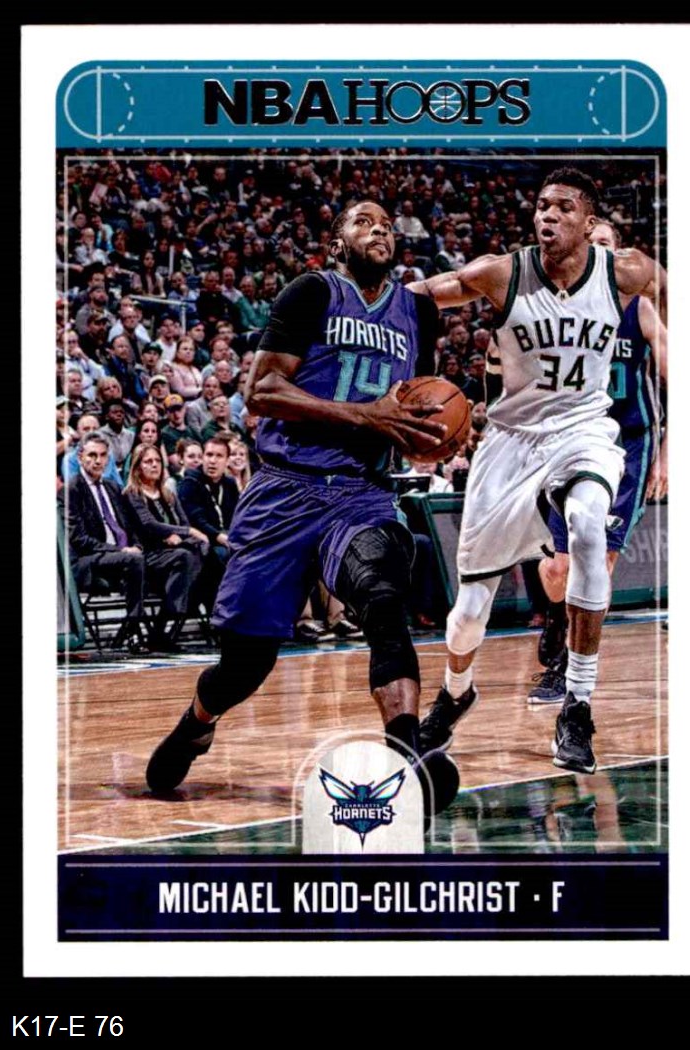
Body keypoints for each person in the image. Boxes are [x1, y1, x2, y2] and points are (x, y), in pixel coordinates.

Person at [145, 199, 457, 816]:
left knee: (383, 597)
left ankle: (407, 752)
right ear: (336, 242)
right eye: (363, 222)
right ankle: (198, 721)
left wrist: (431, 430)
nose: (379, 229)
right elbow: (261, 391)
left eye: (386, 224)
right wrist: (364, 416)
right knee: (246, 662)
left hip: (361, 490)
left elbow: (417, 399)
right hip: (286, 487)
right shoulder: (312, 292)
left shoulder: (417, 312)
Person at [409, 168, 666, 775]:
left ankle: (577, 706)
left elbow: (668, 289)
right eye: (542, 206)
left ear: (589, 221)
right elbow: (419, 296)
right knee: (469, 611)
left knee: (588, 527)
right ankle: (455, 692)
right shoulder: (503, 272)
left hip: (584, 430)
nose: (547, 215)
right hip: (510, 443)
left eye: (563, 208)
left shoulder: (626, 272)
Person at [528, 218, 668, 703]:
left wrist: (667, 451)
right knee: (555, 571)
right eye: (594, 245)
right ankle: (555, 621)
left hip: (629, 445)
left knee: (598, 563)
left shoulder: (640, 306)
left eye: (608, 245)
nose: (601, 253)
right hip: (573, 443)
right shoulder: (562, 310)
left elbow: (679, 374)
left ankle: (567, 669)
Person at [60, 433, 149, 653]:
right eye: (92, 455)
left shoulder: (113, 487)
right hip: (87, 560)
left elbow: (129, 525)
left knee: (150, 559)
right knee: (134, 561)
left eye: (102, 456)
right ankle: (134, 630)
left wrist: (137, 545)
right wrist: (121, 550)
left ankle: (149, 629)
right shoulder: (71, 490)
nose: (97, 460)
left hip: (118, 557)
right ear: (80, 457)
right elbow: (79, 539)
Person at [123, 444, 208, 650]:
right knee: (188, 557)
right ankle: (166, 625)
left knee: (204, 553)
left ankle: (162, 630)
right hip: (150, 554)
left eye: (157, 461)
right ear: (137, 467)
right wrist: (184, 532)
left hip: (176, 553)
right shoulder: (132, 494)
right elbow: (149, 525)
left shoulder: (168, 493)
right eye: (148, 461)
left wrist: (181, 534)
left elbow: (183, 521)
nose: (154, 465)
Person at [178, 433, 240, 610]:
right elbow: (196, 519)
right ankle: (223, 610)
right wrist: (220, 537)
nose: (212, 461)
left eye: (219, 456)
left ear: (227, 461)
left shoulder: (229, 483)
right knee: (223, 555)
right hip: (203, 542)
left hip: (228, 538)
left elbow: (238, 516)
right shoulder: (190, 482)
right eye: (209, 455)